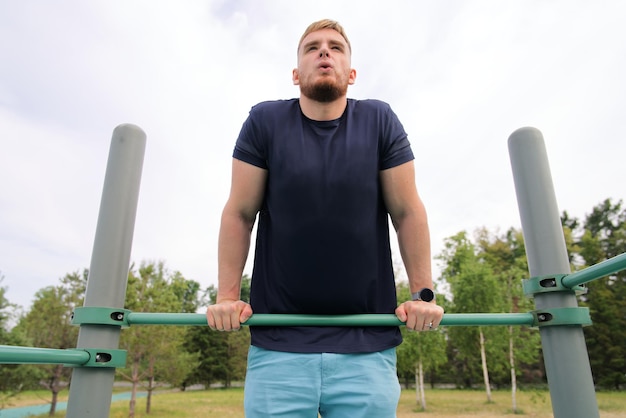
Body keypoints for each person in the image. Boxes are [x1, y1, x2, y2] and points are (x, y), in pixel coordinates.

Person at [207, 19, 444, 417]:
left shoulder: (379, 120)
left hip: (367, 346)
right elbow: (239, 212)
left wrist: (423, 296)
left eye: (335, 46)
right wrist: (227, 298)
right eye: (312, 46)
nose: (324, 51)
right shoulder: (264, 122)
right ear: (296, 73)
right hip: (278, 347)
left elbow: (407, 212)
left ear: (351, 73)